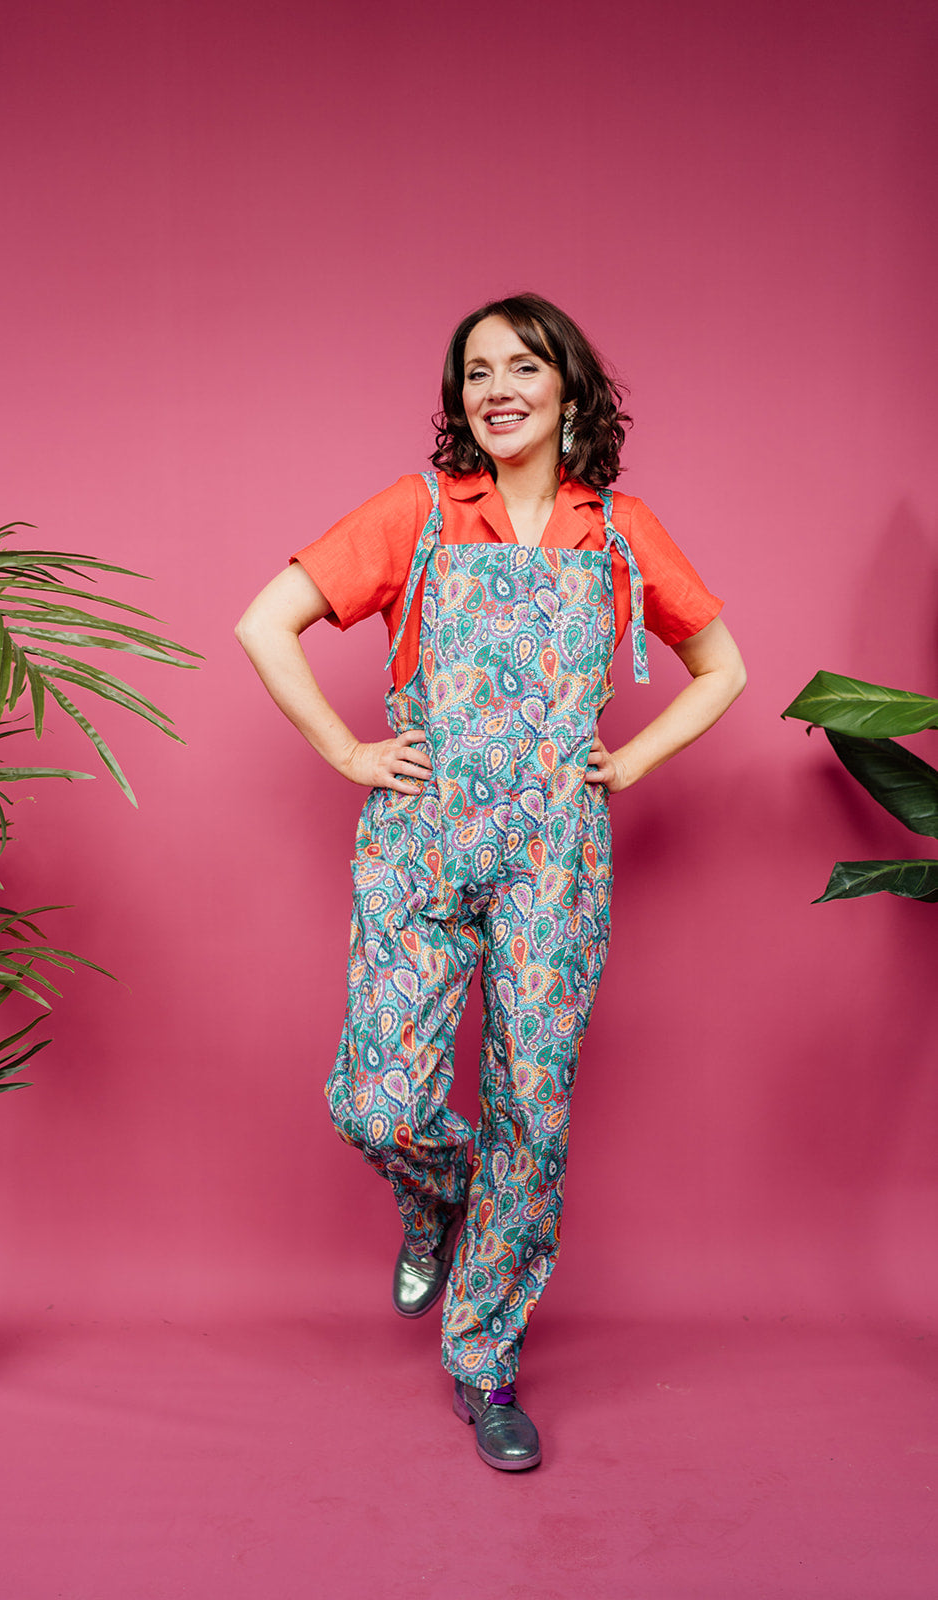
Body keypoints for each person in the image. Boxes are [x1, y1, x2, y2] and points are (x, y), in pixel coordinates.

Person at [236, 293, 745, 1472]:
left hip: (553, 861)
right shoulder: (417, 510)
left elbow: (720, 666)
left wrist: (625, 761)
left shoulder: (615, 529)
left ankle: (484, 1359)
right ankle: (441, 1200)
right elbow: (268, 622)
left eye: (523, 365)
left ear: (569, 386)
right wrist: (351, 753)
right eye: (476, 371)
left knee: (534, 1102)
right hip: (419, 842)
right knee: (379, 1100)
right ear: (458, 398)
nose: (497, 387)